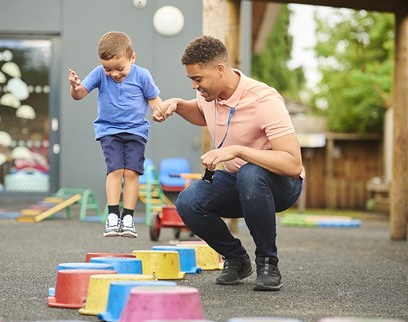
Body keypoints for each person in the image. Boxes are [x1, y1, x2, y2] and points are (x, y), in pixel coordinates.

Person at [152, 35, 304, 291]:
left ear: (220, 69)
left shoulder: (263, 100)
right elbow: (200, 113)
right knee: (188, 202)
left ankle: (268, 262)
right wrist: (176, 105)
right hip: (240, 181)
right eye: (191, 79)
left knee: (250, 173)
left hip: (281, 184)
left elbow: (292, 164)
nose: (194, 86)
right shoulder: (208, 96)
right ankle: (236, 259)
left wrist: (237, 151)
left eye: (197, 79)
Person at [69, 31, 162, 238]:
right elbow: (79, 95)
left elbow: (154, 99)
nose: (114, 74)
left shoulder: (142, 75)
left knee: (132, 173)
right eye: (108, 69)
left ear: (133, 58)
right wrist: (75, 87)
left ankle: (127, 217)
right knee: (115, 170)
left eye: (120, 68)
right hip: (109, 130)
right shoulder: (99, 73)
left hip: (136, 131)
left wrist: (159, 110)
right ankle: (112, 216)